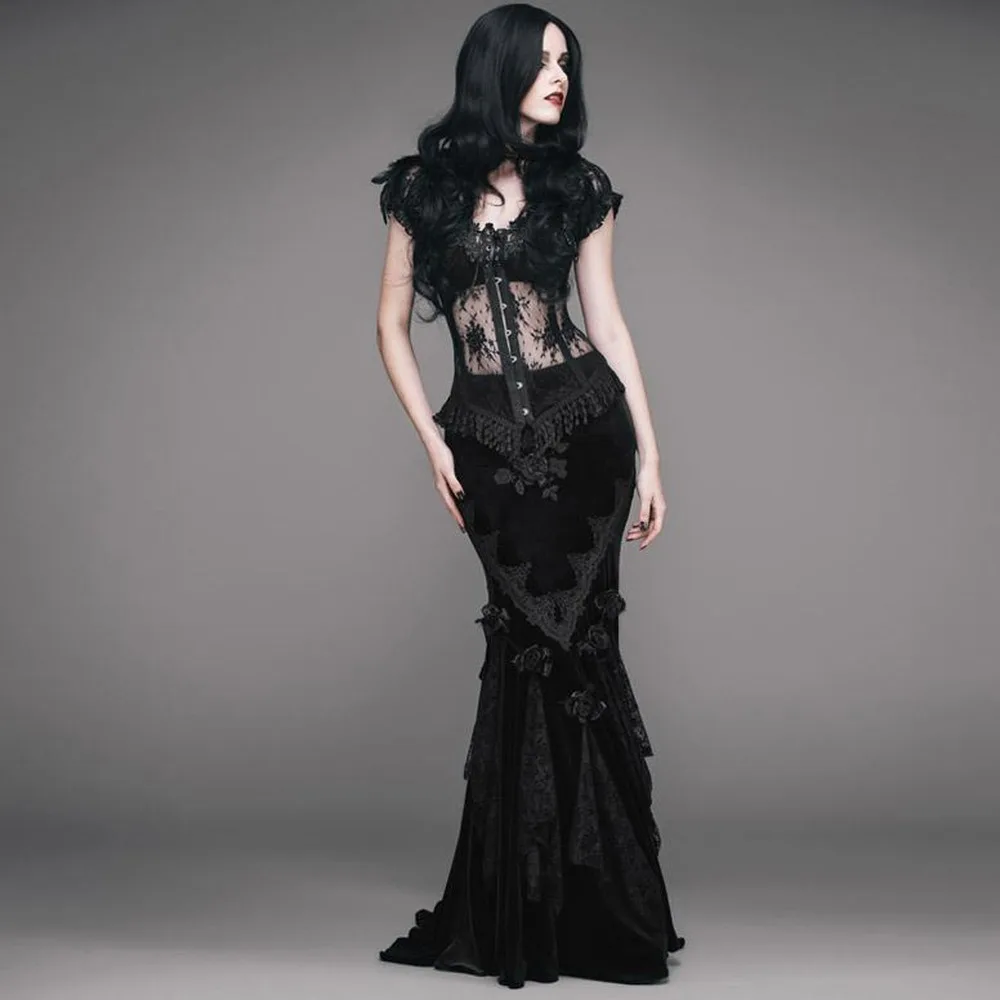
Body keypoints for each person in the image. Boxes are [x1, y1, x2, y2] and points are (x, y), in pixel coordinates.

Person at [371, 3, 685, 989]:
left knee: (583, 652)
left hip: (588, 436)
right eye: (541, 60)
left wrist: (652, 457)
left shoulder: (577, 188)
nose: (558, 76)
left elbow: (609, 325)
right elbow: (387, 324)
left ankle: (606, 917)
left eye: (566, 62)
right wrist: (430, 439)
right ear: (495, 66)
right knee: (524, 651)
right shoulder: (420, 189)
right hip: (487, 449)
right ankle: (523, 907)